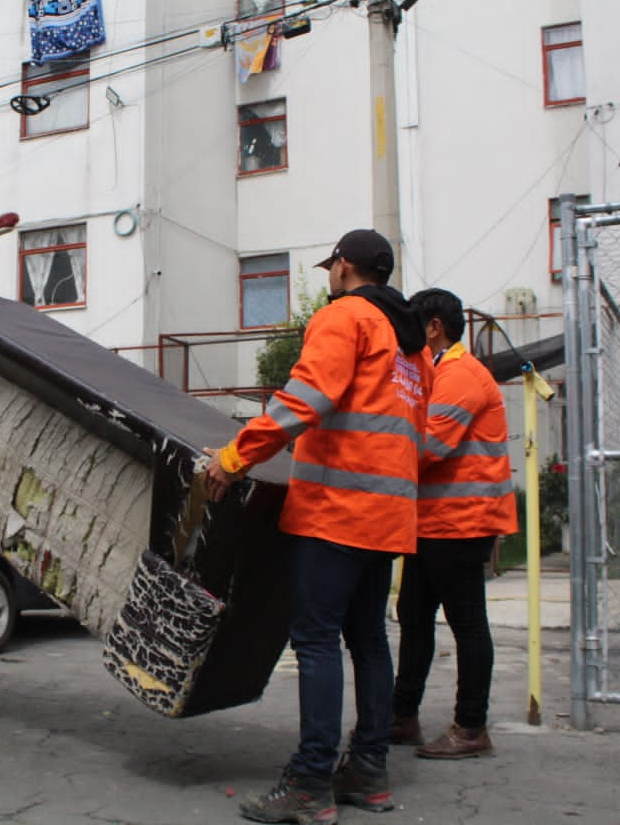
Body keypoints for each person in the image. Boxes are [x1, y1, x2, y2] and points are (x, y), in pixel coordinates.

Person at [204, 229, 431, 825]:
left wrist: (233, 459)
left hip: (336, 510)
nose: (329, 275)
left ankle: (310, 783)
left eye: (331, 266)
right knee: (370, 642)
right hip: (387, 517)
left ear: (346, 267)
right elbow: (416, 438)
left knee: (316, 642)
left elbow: (302, 401)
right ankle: (368, 771)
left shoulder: (344, 318)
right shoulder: (415, 349)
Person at [390, 288, 518, 759]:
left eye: (411, 326)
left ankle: (470, 727)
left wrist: (374, 451)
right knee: (415, 617)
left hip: (462, 522)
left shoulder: (461, 375)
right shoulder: (441, 372)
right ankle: (402, 716)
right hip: (433, 522)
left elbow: (430, 448)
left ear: (433, 327)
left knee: (466, 622)